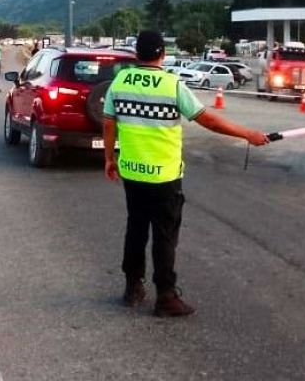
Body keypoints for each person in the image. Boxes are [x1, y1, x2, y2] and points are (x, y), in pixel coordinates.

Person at [103, 30, 269, 318]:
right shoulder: (171, 85)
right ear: (162, 55)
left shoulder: (120, 81)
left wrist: (109, 158)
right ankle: (165, 297)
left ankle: (133, 288)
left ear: (136, 54)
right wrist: (248, 134)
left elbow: (108, 122)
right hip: (164, 176)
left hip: (132, 172)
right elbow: (209, 121)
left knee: (136, 229)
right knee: (165, 236)